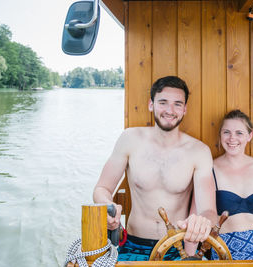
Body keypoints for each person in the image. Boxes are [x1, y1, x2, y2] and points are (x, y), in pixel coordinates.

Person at [93, 76, 217, 261]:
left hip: (177, 248)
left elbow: (209, 211)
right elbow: (101, 189)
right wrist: (107, 206)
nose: (170, 110)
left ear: (185, 109)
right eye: (163, 102)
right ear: (151, 104)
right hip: (132, 245)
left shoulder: (199, 152)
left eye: (177, 104)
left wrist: (202, 221)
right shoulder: (130, 139)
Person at [211, 109, 253, 260]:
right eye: (226, 132)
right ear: (220, 135)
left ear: (250, 135)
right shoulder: (210, 169)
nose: (232, 138)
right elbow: (200, 214)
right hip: (224, 251)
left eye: (239, 133)